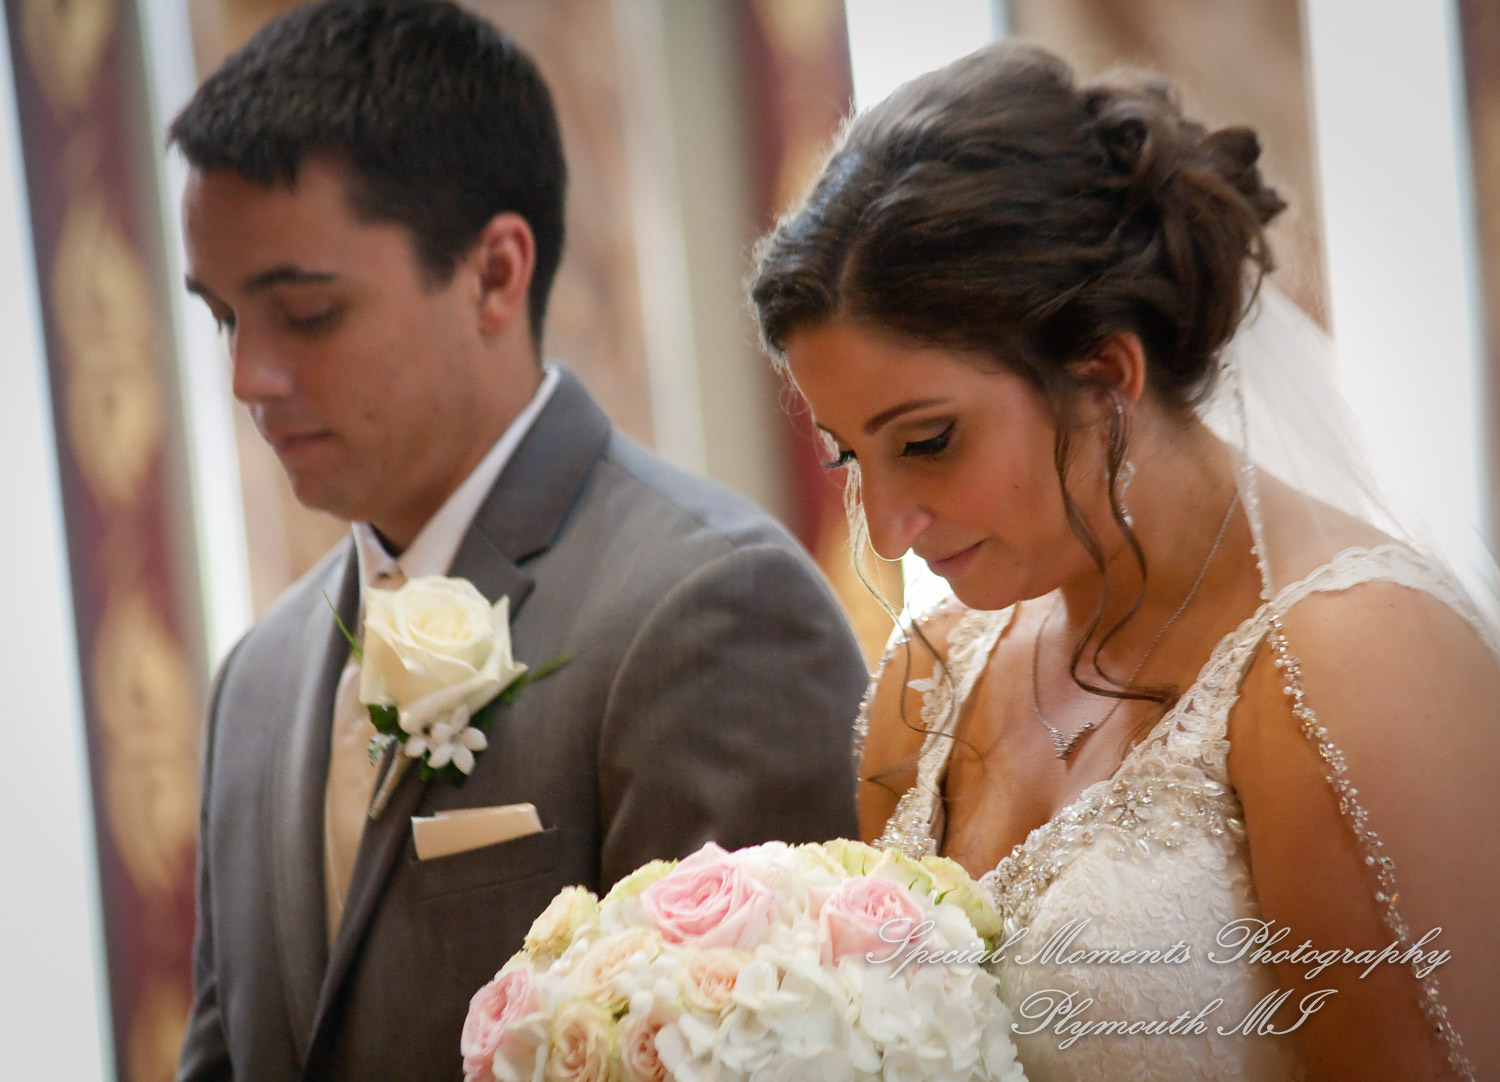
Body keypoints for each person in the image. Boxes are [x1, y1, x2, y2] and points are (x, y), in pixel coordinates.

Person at [750, 41, 1500, 1082]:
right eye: (848, 454)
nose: (885, 528)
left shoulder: (1350, 661)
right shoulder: (926, 686)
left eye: (927, 441)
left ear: (1106, 373)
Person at [169, 3, 867, 1080]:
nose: (247, 377)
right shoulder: (256, 683)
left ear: (496, 271)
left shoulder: (714, 609)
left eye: (305, 314)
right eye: (223, 317)